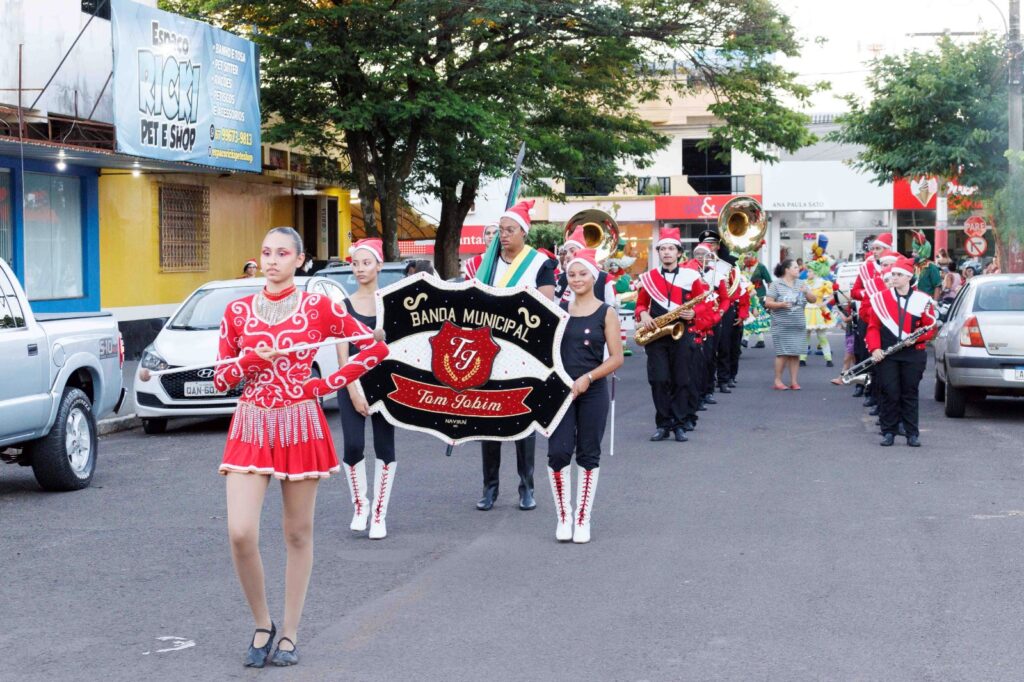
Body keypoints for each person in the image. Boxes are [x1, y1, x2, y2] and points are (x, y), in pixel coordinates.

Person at [213, 227, 389, 668]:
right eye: (266, 251)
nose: (271, 260)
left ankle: (289, 632)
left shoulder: (319, 307)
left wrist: (324, 384)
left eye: (282, 253)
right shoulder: (236, 312)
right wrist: (251, 360)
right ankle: (261, 621)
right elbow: (220, 378)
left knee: (297, 533)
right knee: (240, 532)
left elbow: (373, 349)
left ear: (300, 260)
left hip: (300, 422)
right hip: (251, 423)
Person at [473, 200, 556, 511]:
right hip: (488, 349)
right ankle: (489, 488)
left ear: (524, 232)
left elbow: (544, 306)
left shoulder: (540, 264)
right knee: (488, 418)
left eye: (509, 230)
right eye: (500, 231)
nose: (503, 236)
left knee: (523, 418)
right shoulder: (486, 264)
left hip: (523, 351)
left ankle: (526, 487)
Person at [546, 249, 624, 543]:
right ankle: (563, 517)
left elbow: (616, 358)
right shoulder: (557, 312)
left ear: (594, 276)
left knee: (588, 453)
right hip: (561, 393)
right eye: (571, 274)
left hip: (593, 391)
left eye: (582, 274)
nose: (576, 279)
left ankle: (582, 519)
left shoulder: (607, 312)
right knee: (558, 452)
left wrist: (588, 377)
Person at [335, 239, 397, 539]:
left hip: (387, 385)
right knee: (353, 446)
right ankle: (361, 505)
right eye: (355, 263)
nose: (360, 269)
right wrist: (353, 391)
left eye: (366, 263)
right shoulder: (342, 306)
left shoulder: (392, 302)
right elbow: (342, 355)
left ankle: (379, 515)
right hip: (352, 383)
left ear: (379, 266)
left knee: (385, 448)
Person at [635, 228, 710, 442]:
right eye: (663, 249)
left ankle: (679, 424)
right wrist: (643, 313)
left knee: (681, 379)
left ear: (679, 252)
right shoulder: (648, 278)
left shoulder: (692, 276)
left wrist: (694, 312)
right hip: (657, 333)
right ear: (658, 252)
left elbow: (704, 303)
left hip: (682, 331)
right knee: (658, 380)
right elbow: (641, 304)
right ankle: (662, 424)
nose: (666, 252)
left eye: (671, 248)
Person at [866, 256, 937, 447]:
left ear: (908, 277)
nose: (894, 277)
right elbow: (872, 327)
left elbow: (931, 327)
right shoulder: (881, 298)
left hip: (913, 352)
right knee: (890, 392)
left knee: (909, 392)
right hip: (887, 353)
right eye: (893, 274)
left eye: (898, 275)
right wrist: (875, 348)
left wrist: (916, 337)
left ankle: (912, 433)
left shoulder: (922, 299)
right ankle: (888, 431)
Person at [764, 258, 817, 390]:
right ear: (786, 269)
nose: (798, 269)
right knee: (782, 353)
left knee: (795, 353)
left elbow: (813, 299)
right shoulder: (776, 284)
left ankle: (794, 381)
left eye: (798, 267)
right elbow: (768, 303)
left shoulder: (801, 283)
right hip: (781, 325)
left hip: (798, 324)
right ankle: (778, 381)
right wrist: (781, 304)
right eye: (794, 267)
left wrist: (806, 292)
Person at [799, 266, 835, 368]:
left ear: (815, 272)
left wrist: (824, 303)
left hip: (819, 311)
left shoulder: (823, 283)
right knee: (805, 336)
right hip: (807, 310)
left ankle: (828, 359)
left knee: (822, 336)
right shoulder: (804, 283)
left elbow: (832, 294)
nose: (807, 273)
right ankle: (802, 359)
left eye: (809, 271)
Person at [745, 253, 772, 348]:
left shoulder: (761, 267)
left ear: (754, 256)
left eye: (748, 256)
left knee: (754, 315)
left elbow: (769, 281)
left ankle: (746, 339)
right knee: (754, 316)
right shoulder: (743, 267)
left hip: (759, 294)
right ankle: (760, 340)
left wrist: (770, 297)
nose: (746, 258)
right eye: (745, 257)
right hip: (747, 295)